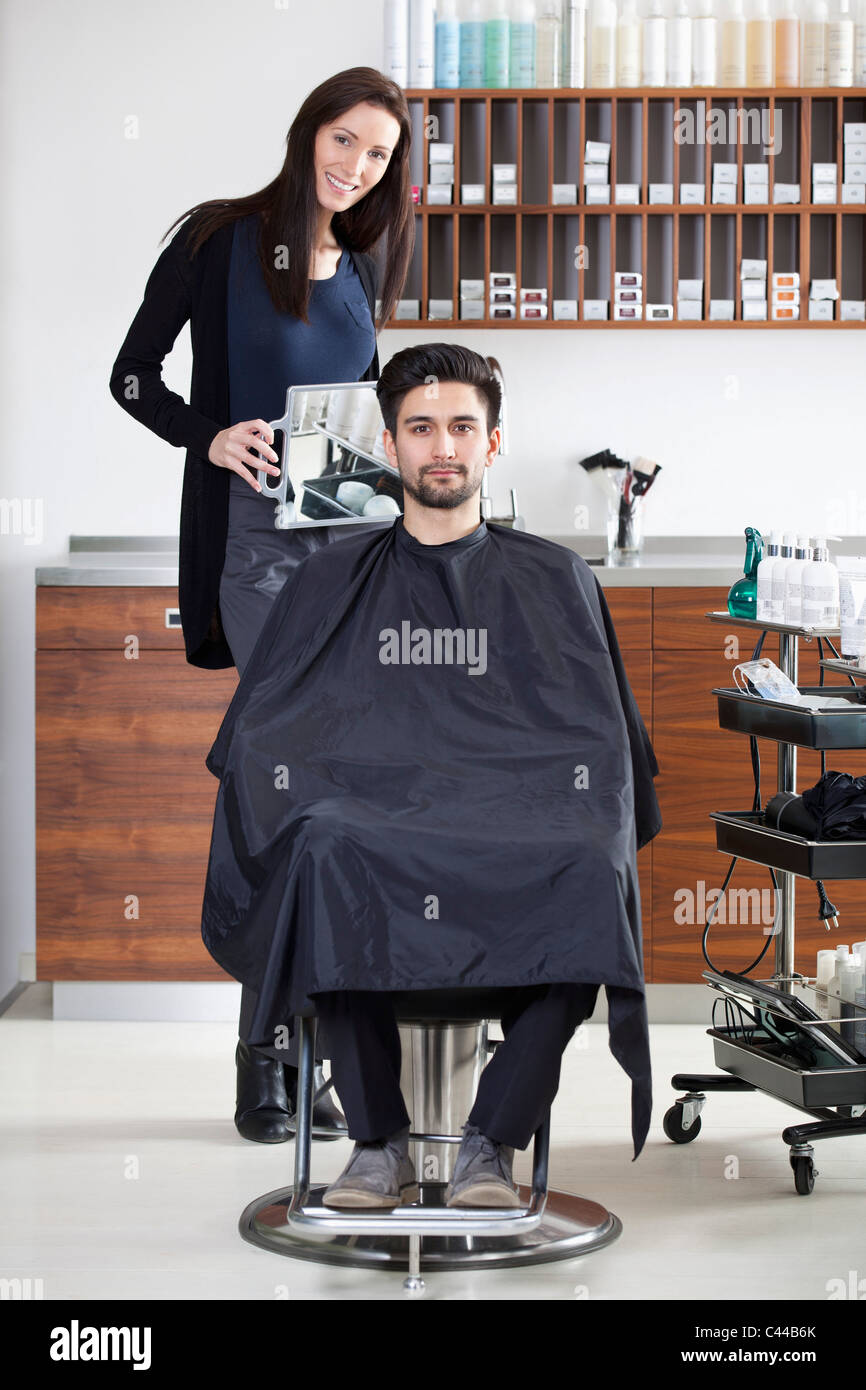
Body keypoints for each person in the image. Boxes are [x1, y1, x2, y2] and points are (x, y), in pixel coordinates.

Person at [200, 343, 663, 1210]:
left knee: (593, 864)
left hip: (518, 841)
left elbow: (604, 756)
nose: (441, 446)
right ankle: (377, 1144)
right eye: (420, 428)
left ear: (493, 444)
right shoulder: (329, 578)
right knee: (324, 846)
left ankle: (493, 1142)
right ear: (391, 444)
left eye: (460, 426)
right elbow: (265, 736)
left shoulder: (556, 578)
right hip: (372, 840)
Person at [108, 67, 415, 1144]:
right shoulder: (217, 240)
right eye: (343, 140)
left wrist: (387, 451)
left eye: (376, 154)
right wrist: (209, 433)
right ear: (308, 132)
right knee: (298, 789)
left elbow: (360, 402)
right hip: (257, 561)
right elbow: (133, 377)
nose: (354, 166)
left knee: (328, 798)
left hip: (348, 554)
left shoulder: (366, 260)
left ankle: (297, 1049)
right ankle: (272, 1051)